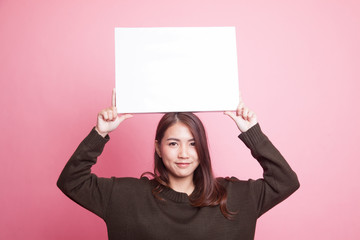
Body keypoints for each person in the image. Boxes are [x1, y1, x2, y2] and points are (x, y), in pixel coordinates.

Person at [57, 89, 300, 240]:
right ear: (158, 148)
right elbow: (71, 181)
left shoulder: (236, 196)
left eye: (193, 144)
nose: (184, 153)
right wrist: (100, 132)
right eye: (173, 144)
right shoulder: (124, 196)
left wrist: (251, 132)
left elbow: (285, 182)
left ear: (202, 148)